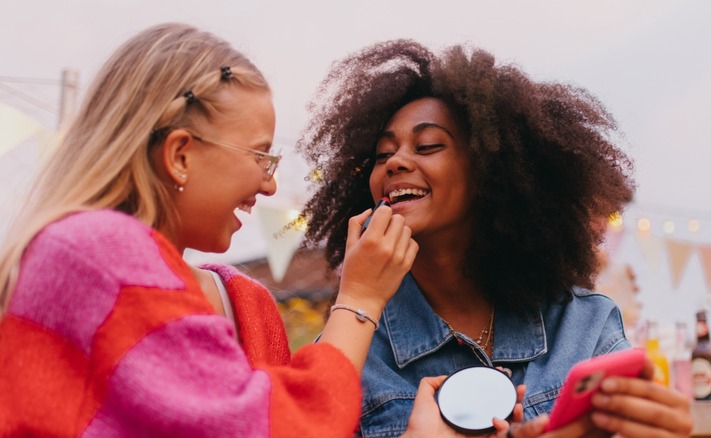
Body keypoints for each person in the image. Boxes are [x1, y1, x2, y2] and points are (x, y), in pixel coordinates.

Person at [0, 23, 429, 437]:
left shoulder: (245, 302)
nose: (270, 183)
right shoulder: (98, 251)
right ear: (180, 155)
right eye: (260, 156)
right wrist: (360, 299)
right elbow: (274, 428)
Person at [298, 39, 692, 437]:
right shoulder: (354, 345)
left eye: (427, 145)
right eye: (382, 155)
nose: (396, 161)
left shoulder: (583, 326)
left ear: (490, 172)